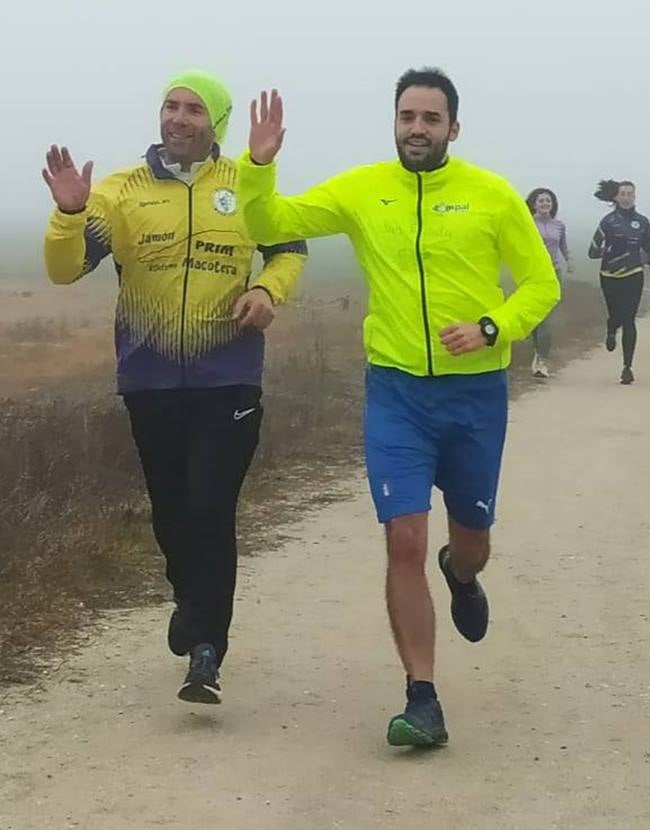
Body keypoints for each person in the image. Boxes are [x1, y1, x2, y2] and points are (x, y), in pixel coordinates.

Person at [237, 69, 560, 747]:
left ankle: (461, 572)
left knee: (469, 541)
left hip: (474, 394)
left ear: (453, 128)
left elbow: (541, 283)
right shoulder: (363, 190)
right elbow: (271, 221)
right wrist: (259, 163)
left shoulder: (491, 195)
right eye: (407, 116)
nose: (418, 128)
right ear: (394, 122)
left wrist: (494, 327)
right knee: (402, 537)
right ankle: (423, 697)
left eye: (431, 118)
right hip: (397, 392)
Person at [41, 70, 308, 704]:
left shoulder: (246, 182)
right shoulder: (121, 191)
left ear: (215, 123)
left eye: (193, 110)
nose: (178, 119)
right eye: (170, 107)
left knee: (211, 506)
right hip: (151, 378)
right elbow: (63, 270)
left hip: (229, 376)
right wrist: (70, 213)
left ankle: (206, 649)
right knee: (171, 510)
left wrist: (269, 291)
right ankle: (190, 598)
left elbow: (289, 248)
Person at [588, 179, 650, 384]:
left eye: (630, 194)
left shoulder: (643, 222)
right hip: (609, 275)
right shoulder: (607, 222)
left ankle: (627, 367)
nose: (626, 197)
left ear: (634, 197)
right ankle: (611, 328)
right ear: (616, 197)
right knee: (616, 316)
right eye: (623, 194)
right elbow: (592, 252)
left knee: (629, 319)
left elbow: (649, 249)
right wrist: (608, 249)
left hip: (634, 274)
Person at [526, 187, 572, 378]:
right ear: (534, 204)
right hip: (531, 274)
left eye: (548, 201)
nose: (545, 204)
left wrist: (569, 262)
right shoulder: (527, 223)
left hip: (553, 274)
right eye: (541, 201)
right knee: (534, 320)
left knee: (545, 318)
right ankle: (538, 352)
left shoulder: (559, 225)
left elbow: (564, 247)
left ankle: (541, 358)